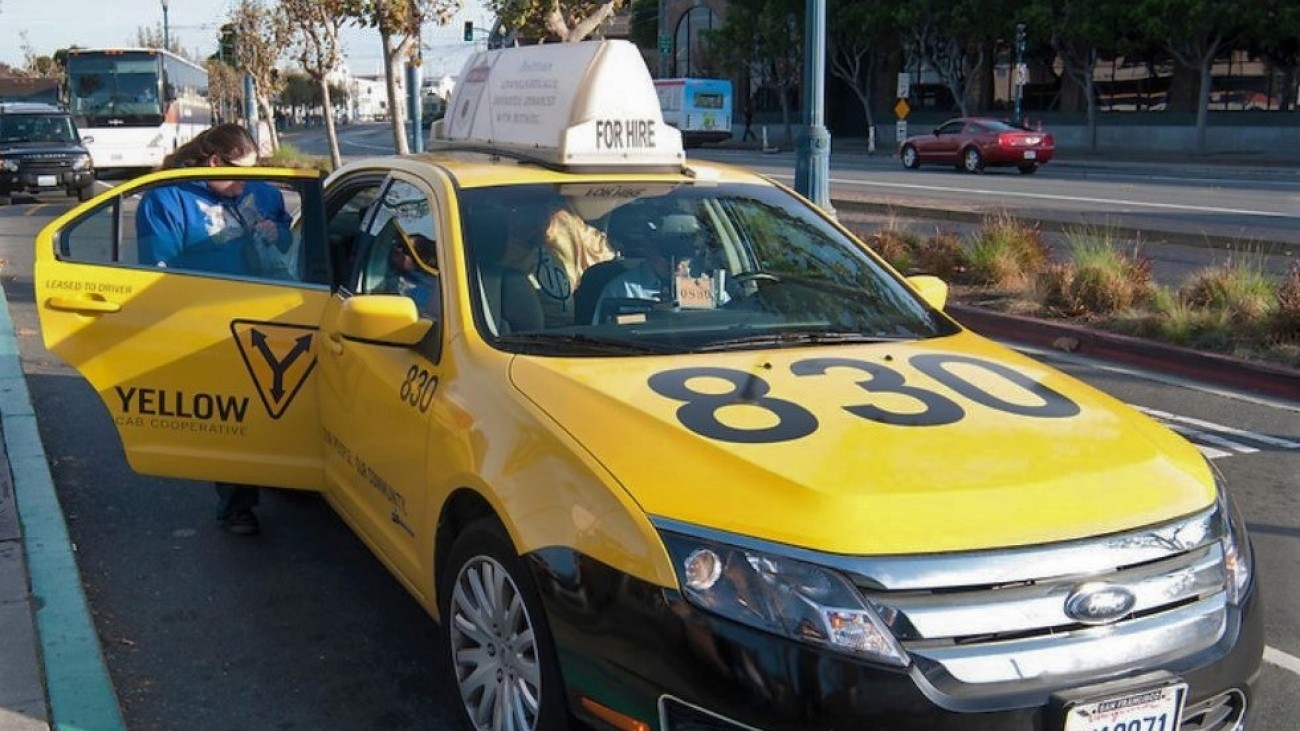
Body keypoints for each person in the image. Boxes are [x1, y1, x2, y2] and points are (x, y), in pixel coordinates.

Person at [135, 122, 291, 536]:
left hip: (273, 312)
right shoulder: (169, 197)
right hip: (210, 322)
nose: (246, 183)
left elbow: (288, 232)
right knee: (234, 420)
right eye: (238, 173)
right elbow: (157, 270)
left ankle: (288, 475)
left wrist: (278, 232)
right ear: (213, 162)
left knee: (279, 405)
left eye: (253, 173)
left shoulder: (262, 190)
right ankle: (237, 504)